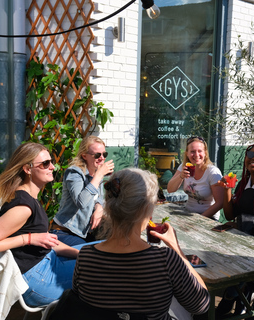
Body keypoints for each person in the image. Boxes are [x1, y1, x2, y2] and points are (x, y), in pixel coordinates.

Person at [72, 168, 211, 319]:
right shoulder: (166, 260)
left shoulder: (85, 256)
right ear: (146, 209)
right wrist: (177, 250)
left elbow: (79, 302)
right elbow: (201, 305)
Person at [0, 142, 95, 307]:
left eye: (51, 162)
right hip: (36, 280)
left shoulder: (30, 198)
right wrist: (27, 238)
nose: (52, 167)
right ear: (27, 169)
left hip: (46, 263)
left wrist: (81, 254)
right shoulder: (23, 207)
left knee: (104, 249)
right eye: (45, 164)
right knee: (105, 267)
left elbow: (47, 242)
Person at [51, 135, 114, 245]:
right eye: (97, 155)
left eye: (104, 154)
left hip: (84, 233)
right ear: (84, 156)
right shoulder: (74, 173)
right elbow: (81, 202)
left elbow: (99, 197)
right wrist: (99, 175)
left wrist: (99, 207)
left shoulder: (96, 173)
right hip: (65, 232)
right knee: (90, 254)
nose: (102, 158)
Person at [167, 136, 224, 220]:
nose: (196, 155)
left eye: (200, 151)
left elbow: (220, 203)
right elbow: (170, 190)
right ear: (187, 153)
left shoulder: (213, 172)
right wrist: (181, 176)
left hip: (208, 218)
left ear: (205, 153)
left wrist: (200, 219)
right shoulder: (184, 166)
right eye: (192, 151)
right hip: (188, 213)